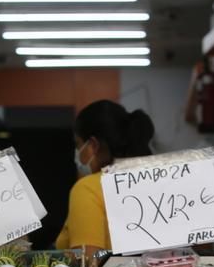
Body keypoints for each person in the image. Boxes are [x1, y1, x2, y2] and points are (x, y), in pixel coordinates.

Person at [56, 100, 155, 252]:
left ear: (93, 145)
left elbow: (88, 264)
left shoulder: (88, 188)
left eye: (78, 144)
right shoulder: (157, 180)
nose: (77, 153)